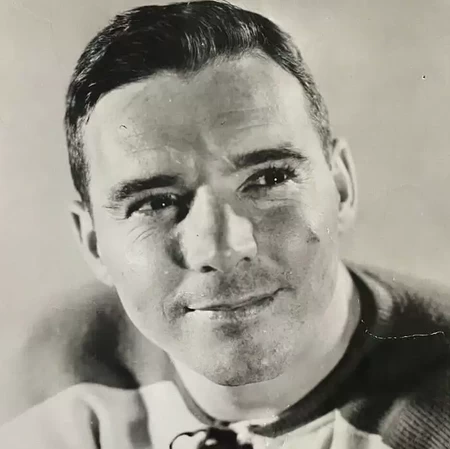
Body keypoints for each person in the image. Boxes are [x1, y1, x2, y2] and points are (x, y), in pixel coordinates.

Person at [1, 1, 450, 448]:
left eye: (270, 179)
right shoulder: (56, 377)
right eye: (156, 202)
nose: (222, 248)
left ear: (341, 187)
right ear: (94, 243)